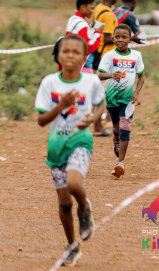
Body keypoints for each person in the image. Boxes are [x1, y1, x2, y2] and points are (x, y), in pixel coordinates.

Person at [35, 35, 106, 267]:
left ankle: (85, 209)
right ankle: (72, 246)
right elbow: (41, 120)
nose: (70, 55)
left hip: (81, 142)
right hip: (56, 148)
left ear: (85, 58)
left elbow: (100, 104)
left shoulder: (91, 81)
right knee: (64, 203)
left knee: (75, 185)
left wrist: (94, 119)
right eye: (66, 51)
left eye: (76, 52)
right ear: (58, 54)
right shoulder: (49, 83)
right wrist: (61, 106)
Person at [97, 24, 145, 178]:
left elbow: (142, 76)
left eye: (124, 37)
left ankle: (120, 162)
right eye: (117, 37)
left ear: (130, 39)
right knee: (117, 128)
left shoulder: (136, 56)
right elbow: (100, 74)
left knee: (125, 127)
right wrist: (111, 75)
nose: (120, 40)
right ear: (113, 38)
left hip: (128, 99)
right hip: (112, 97)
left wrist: (136, 93)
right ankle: (116, 139)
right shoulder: (109, 56)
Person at [92, 0, 119, 136]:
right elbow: (107, 38)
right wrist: (124, 39)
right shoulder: (108, 14)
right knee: (102, 93)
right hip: (105, 57)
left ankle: (99, 123)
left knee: (100, 92)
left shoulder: (98, 8)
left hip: (98, 54)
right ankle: (98, 126)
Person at [65, 0, 101, 73]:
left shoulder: (73, 19)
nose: (93, 11)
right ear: (83, 7)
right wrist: (98, 32)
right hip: (82, 65)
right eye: (91, 8)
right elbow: (87, 48)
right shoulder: (83, 25)